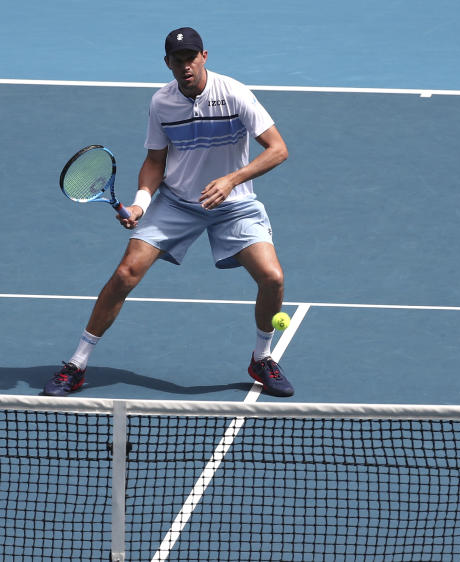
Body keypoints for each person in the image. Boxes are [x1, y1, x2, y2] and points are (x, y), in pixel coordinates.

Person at [44, 27, 294, 397]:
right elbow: (155, 160)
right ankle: (76, 364)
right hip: (177, 203)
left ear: (204, 56)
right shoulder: (161, 103)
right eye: (178, 61)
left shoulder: (235, 94)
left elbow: (278, 149)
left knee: (272, 278)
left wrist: (231, 180)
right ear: (168, 64)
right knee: (126, 274)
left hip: (233, 204)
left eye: (191, 58)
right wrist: (141, 203)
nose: (185, 66)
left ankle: (262, 358)